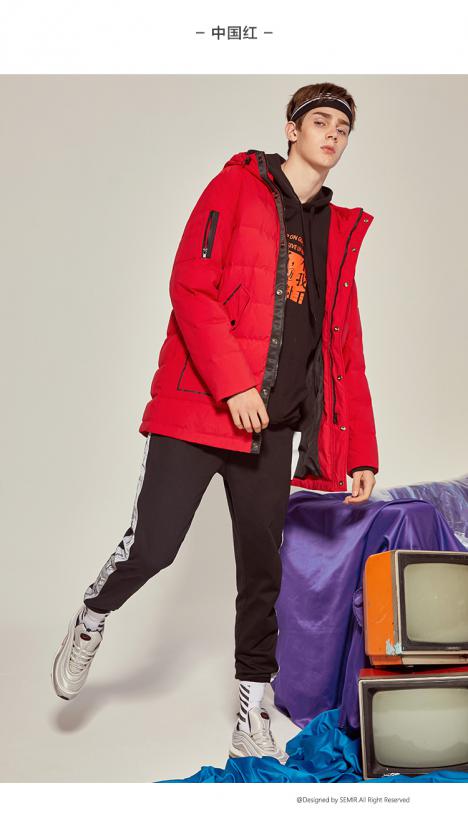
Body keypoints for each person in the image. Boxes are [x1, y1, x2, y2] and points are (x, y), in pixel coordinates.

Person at [52, 82, 379, 764]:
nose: (332, 134)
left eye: (343, 127)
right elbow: (191, 285)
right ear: (291, 129)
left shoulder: (335, 229)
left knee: (263, 572)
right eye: (320, 121)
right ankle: (93, 613)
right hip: (198, 409)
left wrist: (360, 449)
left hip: (273, 428)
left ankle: (251, 710)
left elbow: (342, 347)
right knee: (154, 546)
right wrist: (233, 385)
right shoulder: (236, 188)